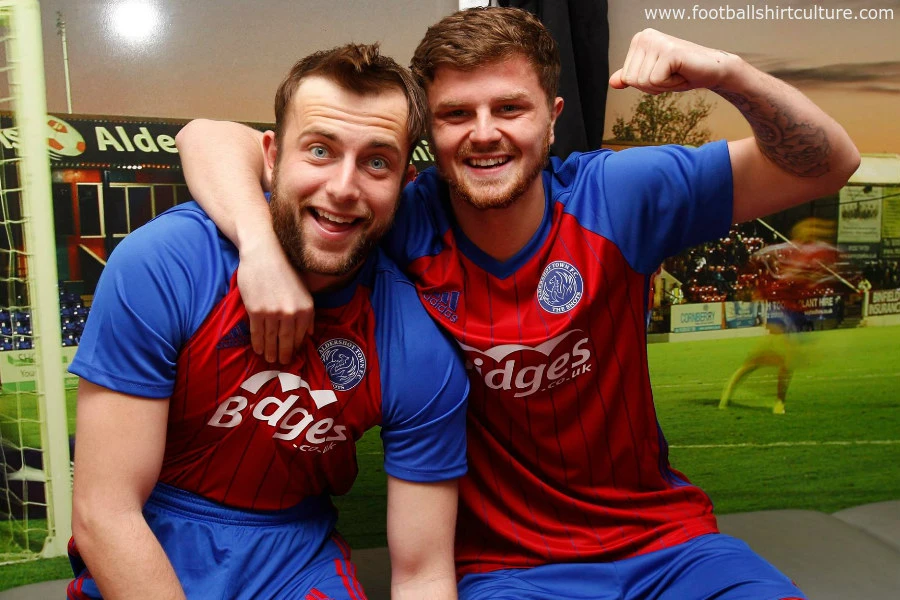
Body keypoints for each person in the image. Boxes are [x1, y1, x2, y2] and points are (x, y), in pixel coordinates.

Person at [175, 7, 860, 599]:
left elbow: (830, 162)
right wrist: (262, 251)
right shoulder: (401, 217)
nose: (483, 133)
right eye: (454, 114)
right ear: (429, 140)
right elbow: (207, 135)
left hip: (667, 547)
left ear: (552, 118)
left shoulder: (618, 196)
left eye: (509, 108)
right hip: (508, 571)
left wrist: (727, 72)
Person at [68, 44, 469, 600]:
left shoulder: (416, 345)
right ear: (273, 158)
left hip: (296, 558)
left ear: (405, 181)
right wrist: (258, 248)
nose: (344, 187)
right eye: (320, 150)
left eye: (377, 161)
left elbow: (423, 574)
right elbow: (103, 513)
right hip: (153, 538)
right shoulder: (167, 264)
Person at [720, 219, 842, 414]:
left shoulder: (812, 253)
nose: (812, 233)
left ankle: (747, 394)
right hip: (781, 309)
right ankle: (776, 402)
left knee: (766, 360)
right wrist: (759, 289)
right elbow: (759, 260)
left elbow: (819, 270)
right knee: (783, 359)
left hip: (797, 312)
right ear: (799, 232)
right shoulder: (788, 252)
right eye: (809, 229)